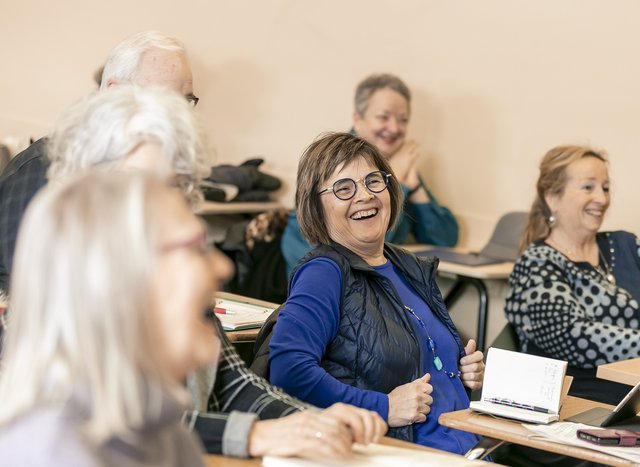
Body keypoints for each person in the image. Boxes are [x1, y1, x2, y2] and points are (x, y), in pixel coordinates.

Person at [0, 171, 385, 464]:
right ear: (119, 280)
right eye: (195, 250)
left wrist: (313, 423)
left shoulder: (157, 428)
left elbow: (233, 383)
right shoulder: (52, 450)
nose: (223, 268)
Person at [268, 132, 484, 453]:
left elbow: (424, 360)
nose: (365, 196)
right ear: (316, 207)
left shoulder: (408, 265)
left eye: (373, 181)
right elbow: (288, 371)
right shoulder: (324, 271)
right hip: (408, 454)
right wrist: (383, 407)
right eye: (343, 188)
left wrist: (461, 372)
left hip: (471, 446)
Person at [0, 30, 199, 294]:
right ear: (114, 93)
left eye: (186, 100)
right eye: (166, 99)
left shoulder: (163, 173)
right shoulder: (43, 167)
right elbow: (35, 292)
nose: (180, 115)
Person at [281, 73, 459, 276]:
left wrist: (415, 187)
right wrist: (397, 181)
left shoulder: (396, 163)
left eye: (403, 120)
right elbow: (368, 243)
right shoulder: (329, 164)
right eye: (383, 117)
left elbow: (446, 239)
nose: (394, 128)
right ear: (357, 119)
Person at [505, 145, 640, 405]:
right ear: (552, 197)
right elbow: (575, 336)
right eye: (588, 187)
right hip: (579, 408)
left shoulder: (625, 244)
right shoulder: (537, 264)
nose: (601, 198)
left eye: (606, 187)